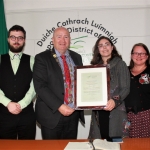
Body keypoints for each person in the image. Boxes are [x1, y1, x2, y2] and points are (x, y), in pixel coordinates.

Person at [33, 27, 85, 139]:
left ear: (70, 40)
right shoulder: (42, 58)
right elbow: (40, 86)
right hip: (52, 115)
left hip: (73, 114)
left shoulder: (77, 57)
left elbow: (81, 83)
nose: (63, 40)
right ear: (53, 39)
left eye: (66, 37)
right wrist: (59, 106)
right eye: (59, 36)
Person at [88, 36, 130, 141]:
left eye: (107, 44)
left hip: (116, 111)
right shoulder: (94, 67)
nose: (104, 47)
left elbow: (126, 88)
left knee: (115, 142)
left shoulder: (120, 64)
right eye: (101, 46)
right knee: (99, 142)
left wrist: (115, 101)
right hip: (99, 111)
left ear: (112, 47)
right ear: (98, 49)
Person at [0, 25, 36, 139]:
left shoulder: (33, 60)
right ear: (8, 39)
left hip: (27, 115)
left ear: (24, 40)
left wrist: (22, 104)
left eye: (20, 38)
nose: (16, 41)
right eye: (13, 37)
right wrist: (8, 103)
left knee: (28, 147)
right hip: (3, 114)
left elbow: (35, 85)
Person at [125, 43, 150, 138]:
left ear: (147, 56)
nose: (139, 56)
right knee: (127, 144)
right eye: (136, 53)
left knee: (145, 145)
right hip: (126, 117)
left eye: (142, 53)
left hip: (146, 117)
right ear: (131, 55)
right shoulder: (124, 71)